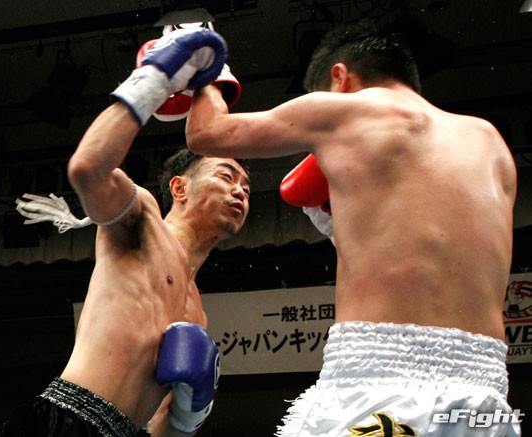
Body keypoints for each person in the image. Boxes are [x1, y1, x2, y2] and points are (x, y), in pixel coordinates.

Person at [185, 20, 520, 436]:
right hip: (484, 394)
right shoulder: (489, 141)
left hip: (382, 381)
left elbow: (205, 135)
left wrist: (209, 69)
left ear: (339, 77)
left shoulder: (344, 113)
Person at [0, 28, 250, 437]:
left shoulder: (197, 316)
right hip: (65, 420)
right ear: (179, 188)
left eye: (247, 188)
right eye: (226, 176)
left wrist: (188, 415)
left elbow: (162, 429)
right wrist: (156, 79)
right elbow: (88, 170)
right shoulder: (142, 218)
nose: (239, 191)